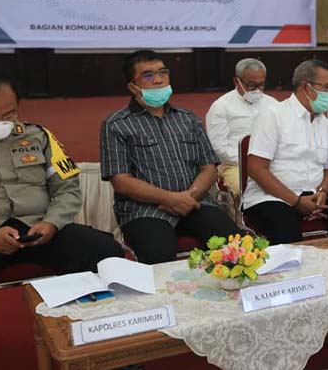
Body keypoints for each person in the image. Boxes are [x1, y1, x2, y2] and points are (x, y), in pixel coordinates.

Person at [0, 72, 123, 370]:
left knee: (107, 253)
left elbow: (67, 188)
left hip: (40, 229)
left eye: (9, 113)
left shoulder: (40, 137)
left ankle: (112, 348)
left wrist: (53, 223)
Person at [101, 50, 239, 264]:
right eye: (148, 75)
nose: (158, 80)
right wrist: (170, 199)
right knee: (159, 258)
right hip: (145, 210)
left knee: (235, 248)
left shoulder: (188, 119)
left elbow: (209, 168)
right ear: (132, 86)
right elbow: (121, 181)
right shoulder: (116, 124)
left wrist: (188, 198)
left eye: (163, 72)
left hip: (196, 202)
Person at [242, 59, 328, 244]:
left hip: (314, 196)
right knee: (288, 236)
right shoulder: (273, 116)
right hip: (272, 198)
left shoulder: (323, 123)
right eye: (327, 88)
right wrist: (296, 202)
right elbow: (257, 170)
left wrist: (323, 193)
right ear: (306, 87)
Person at [205, 58, 278, 197]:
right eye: (251, 85)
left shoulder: (273, 104)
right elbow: (218, 148)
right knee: (247, 191)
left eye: (261, 85)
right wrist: (249, 162)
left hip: (270, 164)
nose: (257, 90)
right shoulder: (221, 107)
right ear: (236, 81)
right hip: (234, 165)